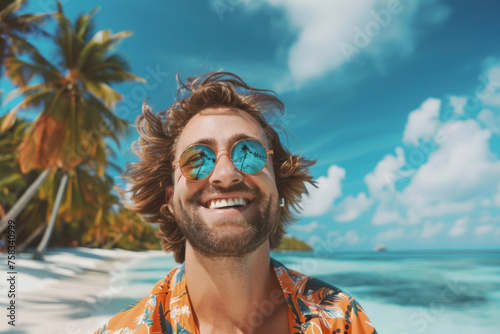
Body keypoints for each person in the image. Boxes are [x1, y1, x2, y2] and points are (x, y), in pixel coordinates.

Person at [94, 72, 377, 334]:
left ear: (278, 186)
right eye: (196, 159)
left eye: (248, 152)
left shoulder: (342, 320)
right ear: (170, 198)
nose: (225, 175)